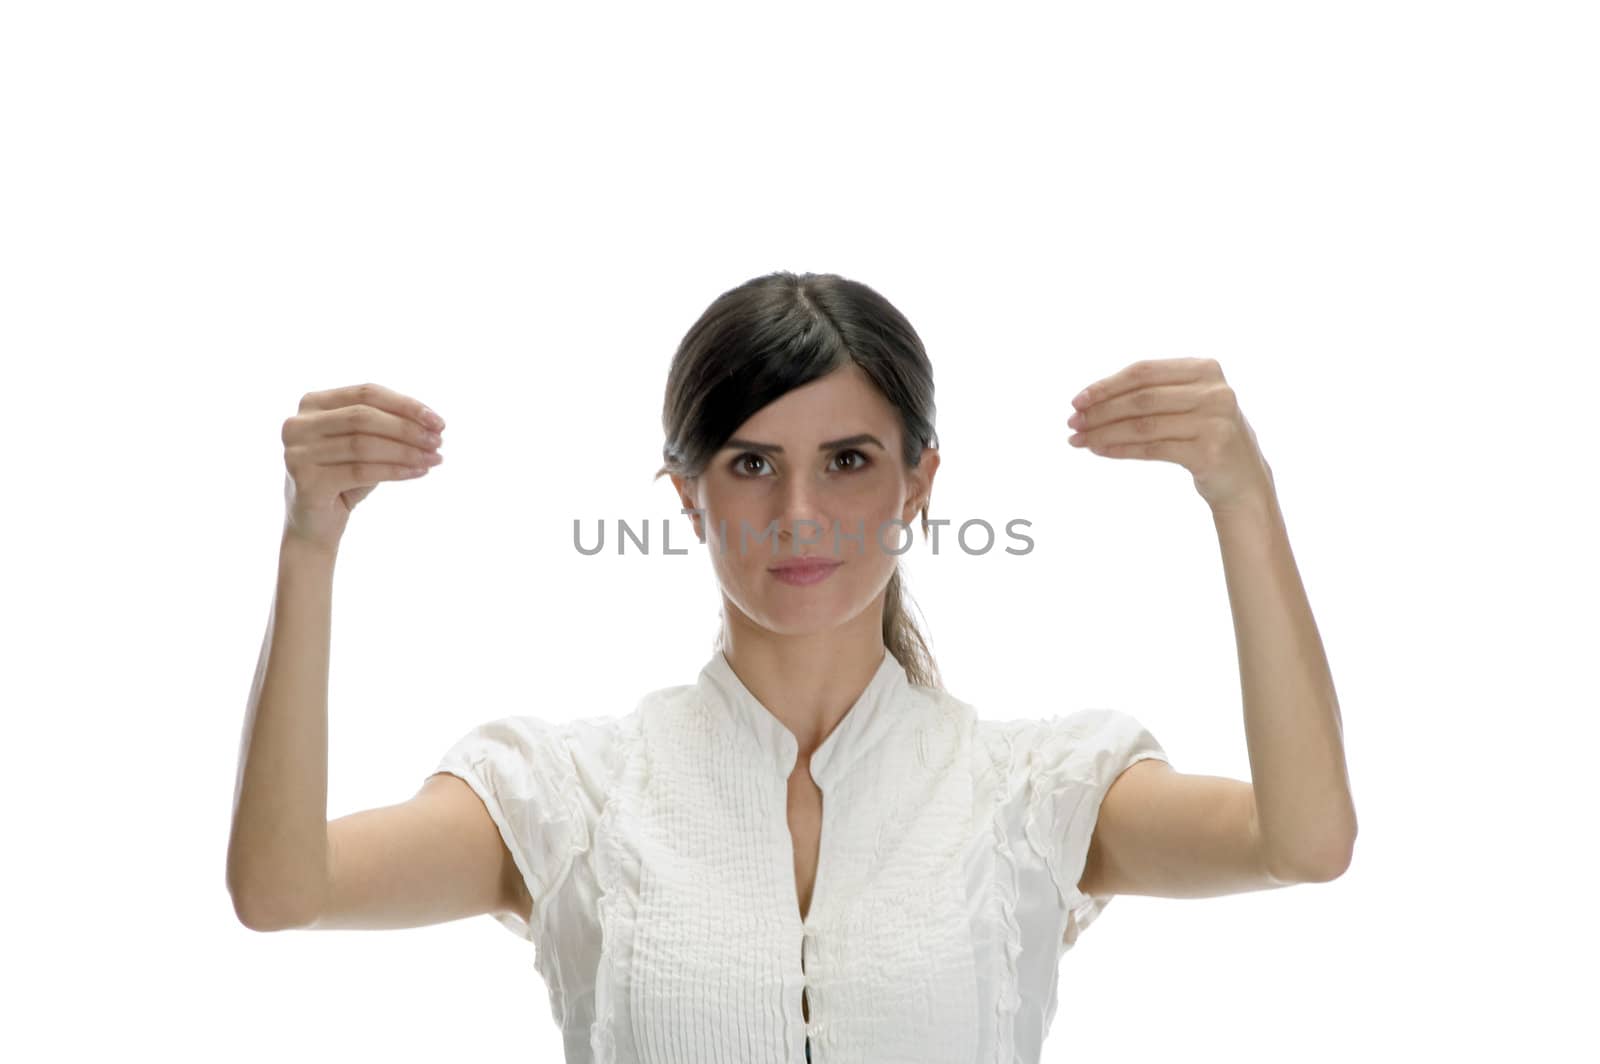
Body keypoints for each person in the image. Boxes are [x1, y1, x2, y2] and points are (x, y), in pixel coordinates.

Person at [227, 271, 1356, 1063]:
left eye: (850, 460)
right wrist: (309, 539)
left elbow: (1301, 842)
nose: (800, 513)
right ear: (686, 491)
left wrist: (1239, 496)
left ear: (919, 483)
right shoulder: (575, 792)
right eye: (752, 461)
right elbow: (283, 889)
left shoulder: (1030, 789)